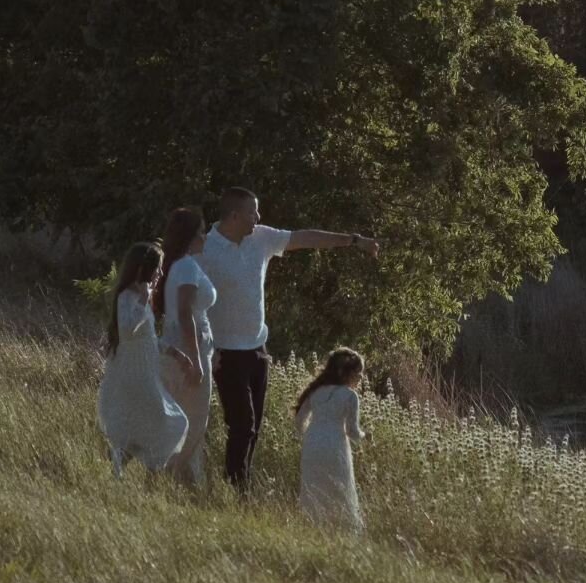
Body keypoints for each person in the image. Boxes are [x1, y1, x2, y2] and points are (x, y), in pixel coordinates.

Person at [198, 186, 380, 492]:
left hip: (257, 350)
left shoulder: (261, 238)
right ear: (233, 216)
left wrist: (354, 240)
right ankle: (237, 488)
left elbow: (305, 238)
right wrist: (203, 345)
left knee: (253, 428)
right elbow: (190, 297)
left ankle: (239, 484)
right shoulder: (205, 249)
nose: (258, 216)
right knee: (242, 424)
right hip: (224, 353)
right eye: (252, 211)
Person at [97, 241, 191, 479]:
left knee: (147, 426)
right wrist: (143, 298)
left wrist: (174, 352)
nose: (160, 273)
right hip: (135, 374)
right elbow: (128, 330)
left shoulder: (139, 298)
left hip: (145, 372)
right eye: (157, 268)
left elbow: (147, 338)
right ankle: (136, 466)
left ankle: (121, 462)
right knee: (172, 421)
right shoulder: (128, 297)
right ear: (145, 268)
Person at [155, 207, 214, 486]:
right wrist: (197, 360)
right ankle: (169, 478)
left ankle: (183, 481)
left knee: (178, 419)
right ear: (191, 237)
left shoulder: (175, 265)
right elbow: (185, 313)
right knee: (194, 422)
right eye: (202, 232)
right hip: (190, 350)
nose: (205, 237)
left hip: (178, 346)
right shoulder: (188, 266)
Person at [294, 348, 368, 532]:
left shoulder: (315, 392)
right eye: (358, 373)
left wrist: (312, 435)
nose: (360, 378)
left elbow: (299, 421)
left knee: (313, 488)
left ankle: (311, 529)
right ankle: (339, 531)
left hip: (312, 444)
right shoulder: (350, 397)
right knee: (339, 489)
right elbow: (352, 432)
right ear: (346, 373)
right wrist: (366, 436)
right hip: (336, 445)